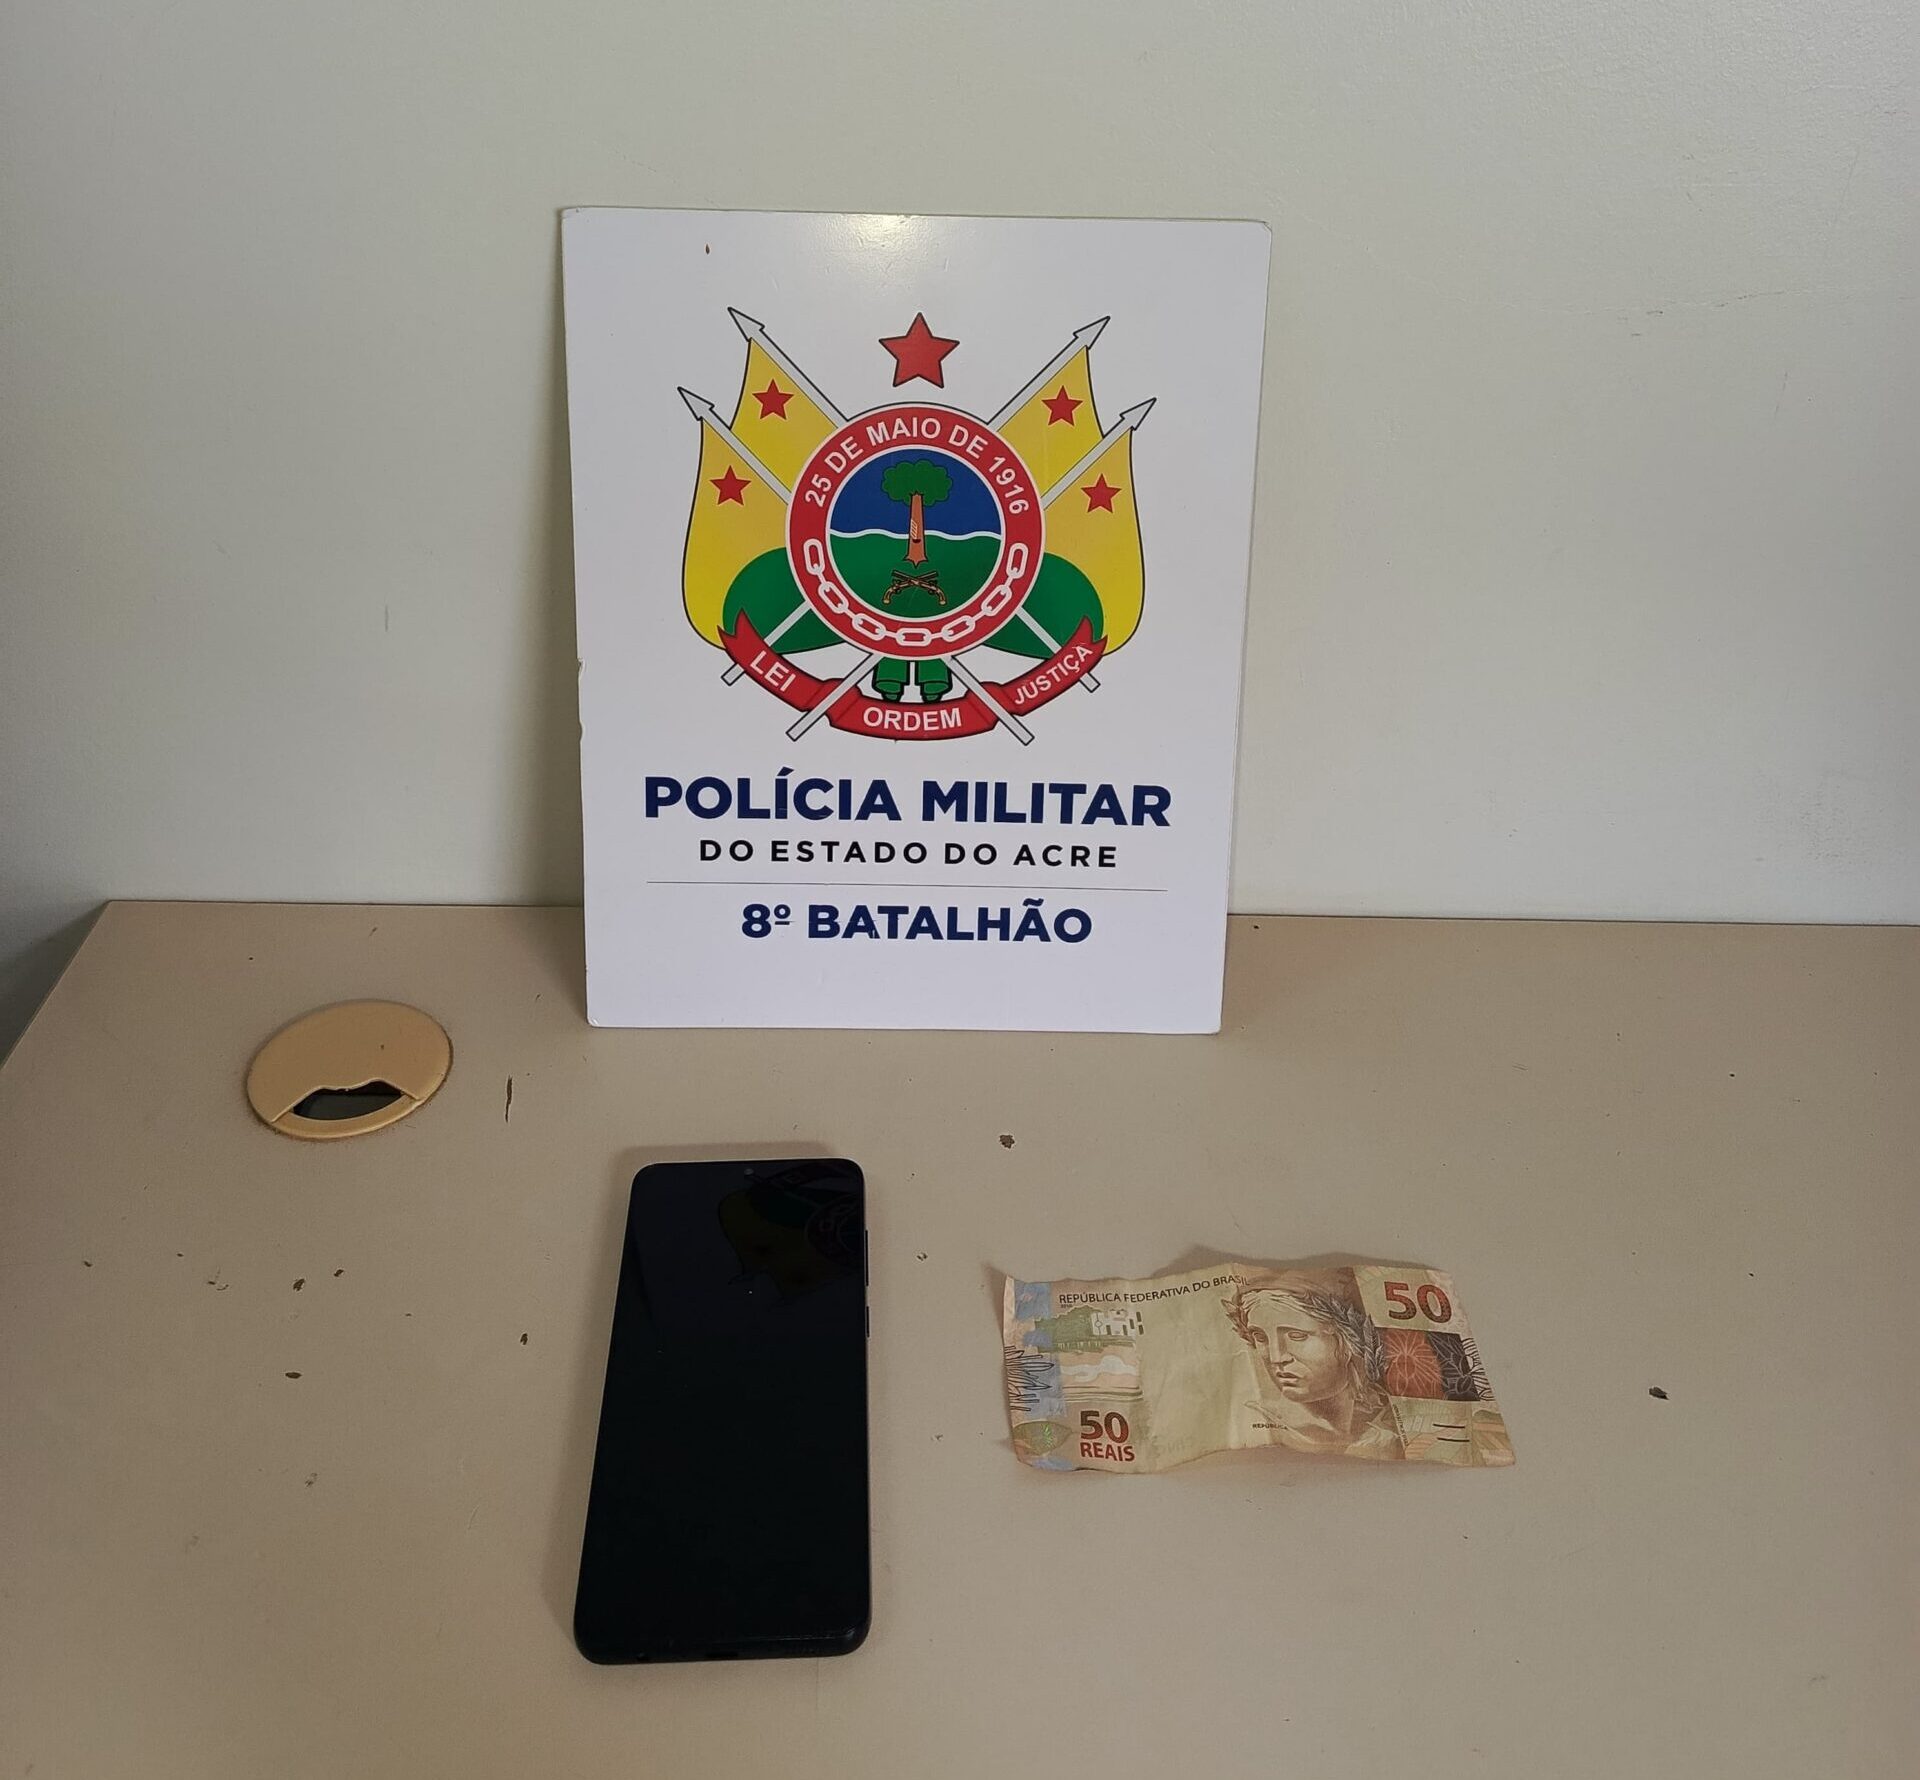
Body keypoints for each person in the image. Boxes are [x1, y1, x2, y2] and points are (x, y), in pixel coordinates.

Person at [1222, 1270, 1402, 1459]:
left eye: (1296, 1336)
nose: (1276, 1357)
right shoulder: (1252, 1423)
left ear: (1349, 1342)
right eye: (1260, 1337)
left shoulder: (1382, 1432)